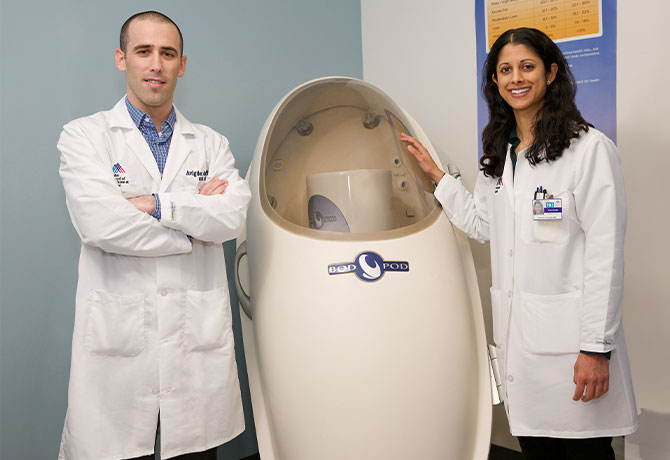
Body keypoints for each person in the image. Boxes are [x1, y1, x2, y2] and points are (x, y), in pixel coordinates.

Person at [401, 27, 637, 459]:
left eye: (527, 67)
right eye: (504, 70)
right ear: (494, 81)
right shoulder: (499, 154)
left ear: (550, 73)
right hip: (521, 348)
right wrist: (439, 177)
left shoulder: (589, 150)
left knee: (583, 451)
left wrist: (595, 349)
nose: (516, 78)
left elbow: (606, 257)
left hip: (572, 349)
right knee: (536, 446)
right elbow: (483, 225)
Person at [57, 11, 251, 460]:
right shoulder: (85, 137)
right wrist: (193, 228)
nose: (156, 65)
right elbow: (99, 224)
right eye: (144, 51)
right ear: (122, 59)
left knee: (195, 452)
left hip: (193, 342)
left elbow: (232, 219)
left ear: (182, 64)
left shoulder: (210, 143)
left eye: (167, 54)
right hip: (118, 343)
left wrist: (155, 204)